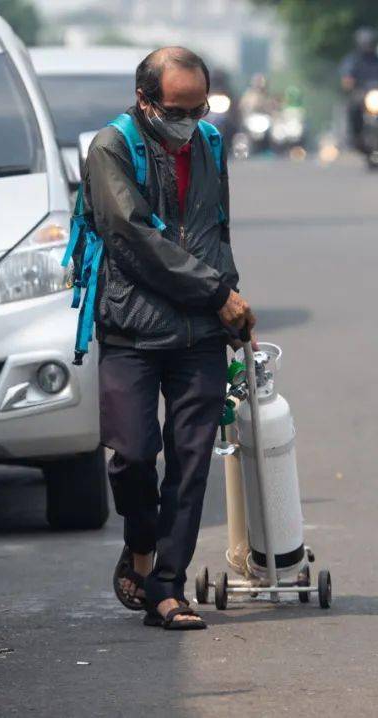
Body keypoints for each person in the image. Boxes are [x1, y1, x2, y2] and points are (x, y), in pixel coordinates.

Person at [81, 47, 257, 630]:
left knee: (191, 461)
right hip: (131, 326)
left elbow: (215, 229)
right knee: (132, 455)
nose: (188, 120)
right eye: (176, 109)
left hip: (202, 332)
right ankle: (139, 542)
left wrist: (229, 305)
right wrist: (215, 293)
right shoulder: (111, 147)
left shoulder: (208, 142)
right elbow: (131, 238)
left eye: (198, 107)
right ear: (145, 100)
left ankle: (167, 586)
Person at [339, 27, 378, 150]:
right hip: (361, 94)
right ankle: (356, 135)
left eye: (370, 43)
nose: (368, 46)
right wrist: (348, 83)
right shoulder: (352, 60)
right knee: (353, 108)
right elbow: (346, 77)